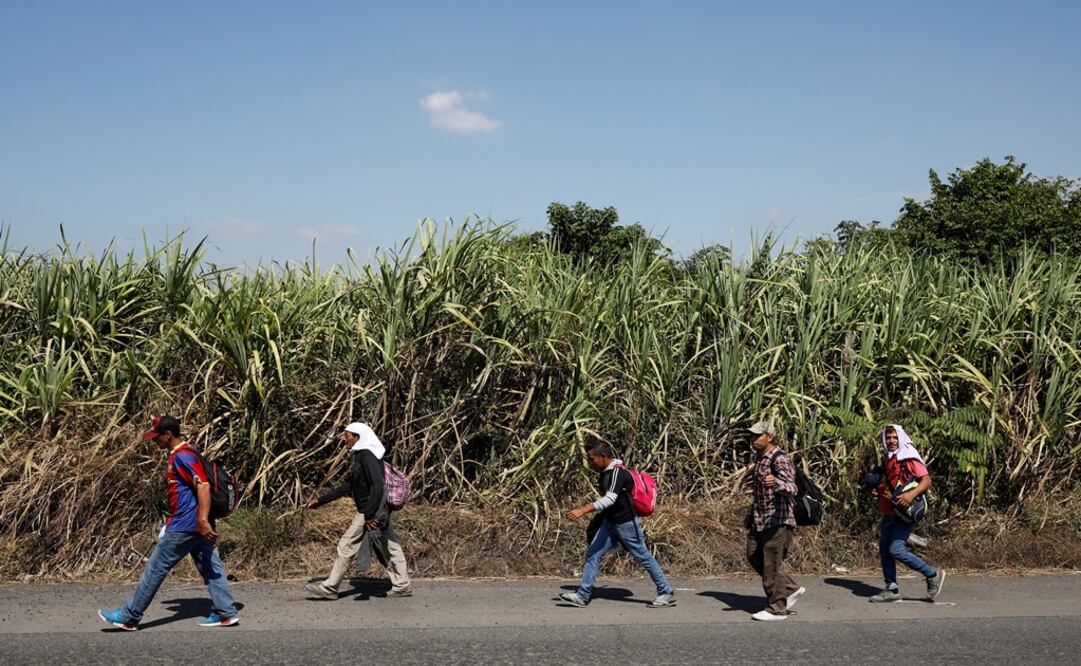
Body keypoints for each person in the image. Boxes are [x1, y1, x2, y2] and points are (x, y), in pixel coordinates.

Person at [98, 415, 239, 630]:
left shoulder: (182, 456)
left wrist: (201, 519)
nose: (154, 441)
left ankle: (129, 616)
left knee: (155, 569)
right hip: (196, 524)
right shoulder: (188, 452)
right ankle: (226, 612)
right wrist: (203, 521)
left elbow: (203, 486)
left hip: (186, 525)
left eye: (157, 437)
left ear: (168, 435)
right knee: (212, 567)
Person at [558, 436, 676, 608]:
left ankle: (665, 591)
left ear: (604, 457)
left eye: (592, 459)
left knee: (643, 556)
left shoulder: (618, 473)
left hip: (627, 524)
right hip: (610, 523)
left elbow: (610, 499)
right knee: (593, 554)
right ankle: (582, 596)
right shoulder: (606, 473)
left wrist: (583, 510)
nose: (590, 463)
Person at [304, 422, 412, 599]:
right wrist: (321, 501)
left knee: (346, 545)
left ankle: (330, 588)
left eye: (347, 435)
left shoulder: (368, 456)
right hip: (372, 510)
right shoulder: (360, 456)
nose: (344, 439)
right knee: (389, 546)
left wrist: (370, 515)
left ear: (358, 436)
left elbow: (378, 487)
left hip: (371, 510)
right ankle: (402, 585)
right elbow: (351, 485)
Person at [865, 424, 945, 602]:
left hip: (905, 511)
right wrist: (877, 488)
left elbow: (926, 480)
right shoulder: (889, 458)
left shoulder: (908, 456)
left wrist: (911, 494)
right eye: (888, 437)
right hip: (890, 510)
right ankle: (891, 589)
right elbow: (891, 481)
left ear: (900, 438)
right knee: (885, 550)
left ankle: (932, 574)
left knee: (896, 550)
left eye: (894, 437)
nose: (891, 441)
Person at [744, 420, 805, 621]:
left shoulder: (779, 459)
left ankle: (777, 608)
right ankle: (790, 588)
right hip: (760, 519)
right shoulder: (760, 457)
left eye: (757, 435)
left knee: (771, 564)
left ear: (769, 437)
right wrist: (751, 514)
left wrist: (777, 482)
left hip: (777, 519)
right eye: (752, 435)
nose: (753, 439)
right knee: (753, 555)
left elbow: (793, 488)